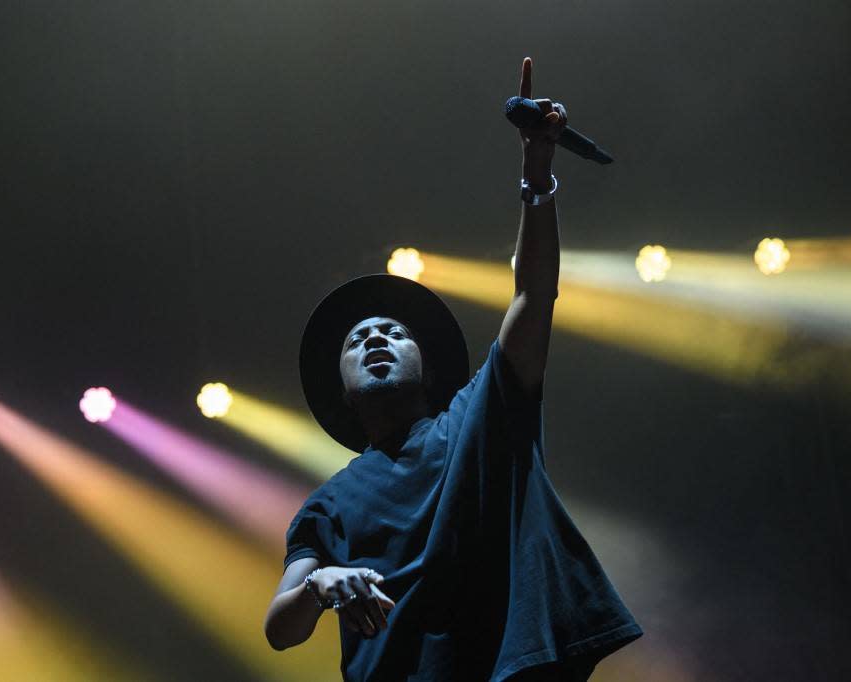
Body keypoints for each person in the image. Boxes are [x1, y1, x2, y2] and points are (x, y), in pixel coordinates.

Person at [263, 57, 642, 681]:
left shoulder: (479, 414)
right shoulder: (326, 506)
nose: (375, 339)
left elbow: (532, 295)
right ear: (342, 389)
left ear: (429, 368)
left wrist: (537, 179)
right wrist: (322, 582)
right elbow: (281, 628)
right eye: (358, 339)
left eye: (392, 331)